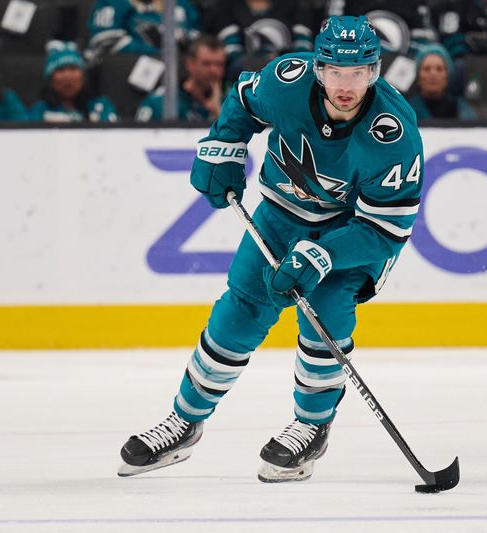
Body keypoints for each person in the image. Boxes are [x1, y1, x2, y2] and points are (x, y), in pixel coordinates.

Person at [118, 15, 424, 483]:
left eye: (358, 72)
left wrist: (322, 256)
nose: (346, 85)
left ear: (375, 72)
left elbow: (385, 229)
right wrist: (223, 145)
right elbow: (244, 102)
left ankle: (312, 427)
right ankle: (185, 419)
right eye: (336, 72)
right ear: (318, 69)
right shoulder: (287, 81)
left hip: (350, 233)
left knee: (325, 313)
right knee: (239, 309)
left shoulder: (394, 134)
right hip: (281, 216)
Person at [136, 35, 228, 122]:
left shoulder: (231, 103)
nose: (213, 70)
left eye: (219, 65)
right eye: (206, 64)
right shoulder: (160, 102)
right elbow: (138, 136)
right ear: (190, 64)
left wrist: (218, 112)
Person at [30, 41, 118, 123]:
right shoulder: (40, 110)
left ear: (83, 76)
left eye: (73, 68)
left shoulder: (100, 106)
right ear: (50, 79)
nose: (68, 77)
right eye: (61, 70)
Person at [85, 0, 201, 60]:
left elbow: (199, 38)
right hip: (126, 71)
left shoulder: (180, 4)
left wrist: (184, 39)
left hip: (180, 71)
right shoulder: (111, 2)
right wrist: (155, 51)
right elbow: (105, 42)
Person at [407, 44, 477, 120]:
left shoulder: (465, 111)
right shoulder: (406, 111)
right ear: (418, 76)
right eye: (427, 69)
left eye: (439, 69)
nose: (433, 74)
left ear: (448, 75)